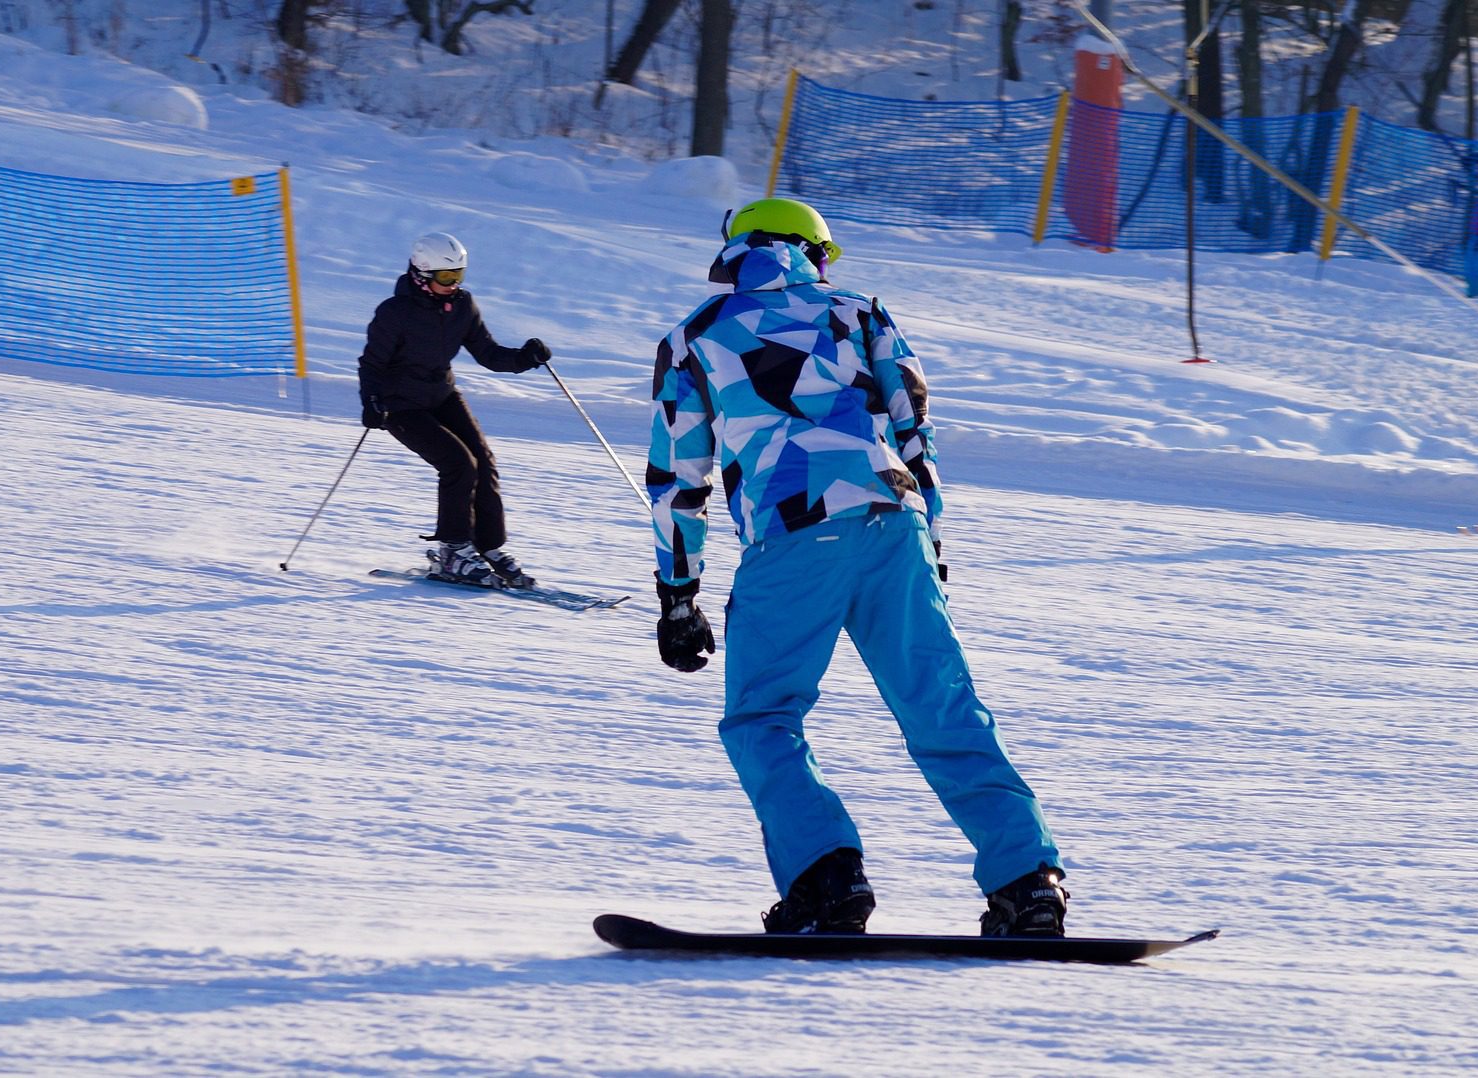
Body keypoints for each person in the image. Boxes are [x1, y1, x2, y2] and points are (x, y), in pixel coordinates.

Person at [646, 197, 1068, 937]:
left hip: (793, 535)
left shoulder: (696, 337)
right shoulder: (860, 312)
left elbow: (679, 478)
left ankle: (826, 878)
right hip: (891, 526)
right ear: (813, 252)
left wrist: (679, 596)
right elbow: (915, 431)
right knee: (941, 704)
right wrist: (929, 544)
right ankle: (1027, 883)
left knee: (763, 715)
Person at [358, 232, 551, 587]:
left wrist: (525, 358)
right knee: (458, 464)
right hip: (401, 406)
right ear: (422, 275)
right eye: (447, 278)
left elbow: (490, 354)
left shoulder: (462, 306)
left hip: (442, 395)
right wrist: (371, 401)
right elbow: (371, 364)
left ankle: (487, 546)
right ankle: (453, 551)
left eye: (459, 276)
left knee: (483, 459)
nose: (454, 285)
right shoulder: (394, 313)